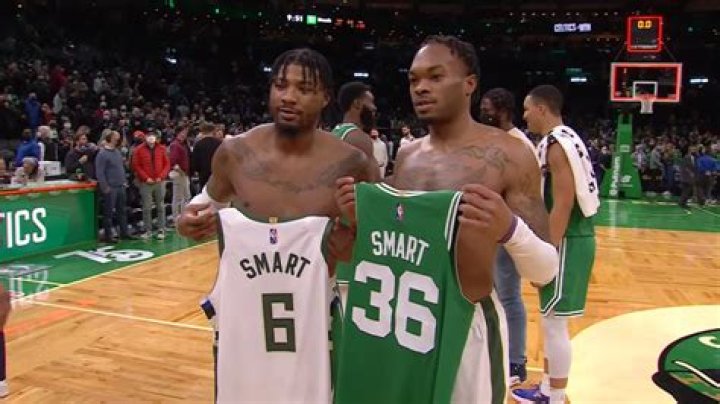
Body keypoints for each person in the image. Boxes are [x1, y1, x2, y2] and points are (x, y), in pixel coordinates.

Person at [334, 36, 558, 404]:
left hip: (466, 326)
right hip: (402, 327)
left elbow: (546, 271)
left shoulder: (510, 154)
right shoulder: (407, 157)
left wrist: (510, 229)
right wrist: (359, 221)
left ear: (470, 84)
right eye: (414, 79)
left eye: (435, 77)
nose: (421, 87)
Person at [176, 48, 377, 403]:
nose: (289, 96)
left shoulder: (353, 163)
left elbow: (375, 245)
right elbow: (203, 205)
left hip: (317, 330)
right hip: (244, 332)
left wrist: (354, 238)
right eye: (280, 85)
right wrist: (186, 220)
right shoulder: (236, 152)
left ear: (325, 97)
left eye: (304, 88)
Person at [512, 84, 599, 404]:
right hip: (573, 237)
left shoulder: (557, 145)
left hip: (568, 239)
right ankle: (548, 388)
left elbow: (562, 204)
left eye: (527, 109)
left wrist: (547, 251)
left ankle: (555, 395)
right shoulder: (568, 137)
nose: (524, 116)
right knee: (552, 320)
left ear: (541, 109)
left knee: (554, 324)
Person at [479, 87, 540, 386]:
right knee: (487, 295)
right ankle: (494, 353)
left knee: (509, 295)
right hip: (486, 229)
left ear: (502, 110)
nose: (482, 113)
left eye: (487, 108)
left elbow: (530, 196)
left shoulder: (519, 144)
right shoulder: (491, 140)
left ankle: (516, 361)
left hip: (509, 229)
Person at [95, 130, 134, 242]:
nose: (118, 139)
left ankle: (124, 232)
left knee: (122, 211)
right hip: (110, 187)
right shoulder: (102, 154)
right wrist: (104, 186)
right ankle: (108, 235)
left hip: (121, 185)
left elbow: (120, 168)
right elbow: (100, 172)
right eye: (116, 137)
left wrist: (124, 181)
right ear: (110, 138)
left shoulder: (117, 152)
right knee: (108, 213)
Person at [131, 130, 170, 240]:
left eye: (153, 136)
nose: (151, 138)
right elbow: (136, 165)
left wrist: (161, 176)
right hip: (146, 183)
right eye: (149, 136)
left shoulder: (162, 148)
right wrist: (146, 178)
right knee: (146, 207)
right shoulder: (138, 150)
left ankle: (161, 229)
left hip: (159, 181)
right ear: (146, 137)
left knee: (160, 206)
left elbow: (167, 164)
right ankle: (148, 230)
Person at [331, 81, 378, 161]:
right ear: (357, 103)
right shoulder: (359, 139)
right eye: (371, 102)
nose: (374, 108)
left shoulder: (335, 132)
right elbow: (373, 170)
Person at [190, 122, 222, 190]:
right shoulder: (219, 143)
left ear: (203, 131)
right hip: (216, 174)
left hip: (203, 175)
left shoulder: (198, 144)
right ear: (213, 131)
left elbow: (195, 163)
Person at [169, 126, 191, 221]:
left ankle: (184, 216)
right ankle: (176, 218)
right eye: (182, 132)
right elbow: (173, 162)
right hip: (179, 174)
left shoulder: (183, 144)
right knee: (178, 197)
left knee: (186, 196)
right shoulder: (175, 145)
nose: (184, 135)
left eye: (185, 133)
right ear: (178, 133)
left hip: (184, 173)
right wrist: (181, 172)